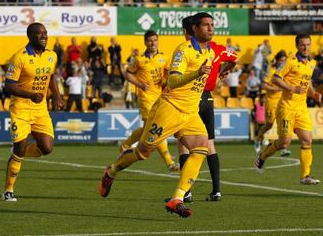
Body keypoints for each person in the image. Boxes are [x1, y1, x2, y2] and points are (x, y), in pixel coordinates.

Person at [99, 12, 215, 218]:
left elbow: (201, 80)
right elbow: (173, 81)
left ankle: (177, 198)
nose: (210, 28)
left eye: (212, 25)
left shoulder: (211, 53)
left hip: (190, 112)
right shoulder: (183, 50)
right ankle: (111, 171)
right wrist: (197, 73)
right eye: (206, 25)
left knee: (201, 148)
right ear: (194, 29)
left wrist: (220, 73)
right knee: (143, 152)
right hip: (169, 109)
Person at [2, 23, 64, 201]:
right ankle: (8, 190)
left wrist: (57, 96)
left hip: (40, 110)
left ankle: (17, 154)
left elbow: (51, 76)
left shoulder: (51, 55)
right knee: (20, 147)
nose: (44, 36)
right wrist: (29, 94)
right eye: (40, 34)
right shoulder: (19, 57)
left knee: (47, 148)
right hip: (21, 109)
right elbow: (8, 85)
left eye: (45, 33)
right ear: (30, 36)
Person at [177, 15, 237, 202]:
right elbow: (234, 57)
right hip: (208, 98)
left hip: (190, 99)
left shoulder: (185, 51)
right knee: (210, 144)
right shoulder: (217, 49)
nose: (210, 28)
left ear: (186, 31)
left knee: (183, 145)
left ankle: (186, 192)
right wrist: (225, 70)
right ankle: (216, 190)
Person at [255, 34, 322, 185]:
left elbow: (307, 82)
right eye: (303, 45)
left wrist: (313, 93)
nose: (306, 47)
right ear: (297, 46)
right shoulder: (289, 61)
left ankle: (305, 176)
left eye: (308, 44)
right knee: (284, 143)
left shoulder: (312, 63)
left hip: (302, 108)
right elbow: (275, 78)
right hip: (286, 107)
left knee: (307, 140)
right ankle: (262, 156)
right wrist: (292, 88)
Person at [120, 30, 179, 172]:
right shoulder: (138, 59)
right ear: (145, 42)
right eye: (150, 41)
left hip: (159, 98)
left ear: (158, 41)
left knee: (149, 130)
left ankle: (125, 145)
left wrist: (165, 80)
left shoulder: (164, 58)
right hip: (145, 98)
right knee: (154, 128)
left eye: (155, 40)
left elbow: (169, 74)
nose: (153, 43)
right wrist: (140, 84)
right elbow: (127, 74)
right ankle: (169, 162)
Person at [254, 50, 291, 157]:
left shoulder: (286, 72)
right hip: (271, 101)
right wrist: (274, 89)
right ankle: (258, 138)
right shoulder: (271, 71)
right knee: (269, 124)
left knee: (283, 126)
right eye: (281, 60)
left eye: (285, 60)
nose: (283, 63)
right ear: (277, 61)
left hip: (283, 102)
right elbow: (263, 85)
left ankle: (283, 149)